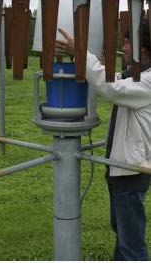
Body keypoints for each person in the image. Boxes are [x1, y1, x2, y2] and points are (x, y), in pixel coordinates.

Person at [55, 21, 151, 261]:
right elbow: (113, 79)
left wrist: (81, 53)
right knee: (123, 236)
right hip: (123, 170)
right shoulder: (136, 77)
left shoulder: (147, 81)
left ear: (145, 50)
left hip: (131, 172)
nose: (123, 48)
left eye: (129, 43)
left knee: (130, 245)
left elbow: (113, 88)